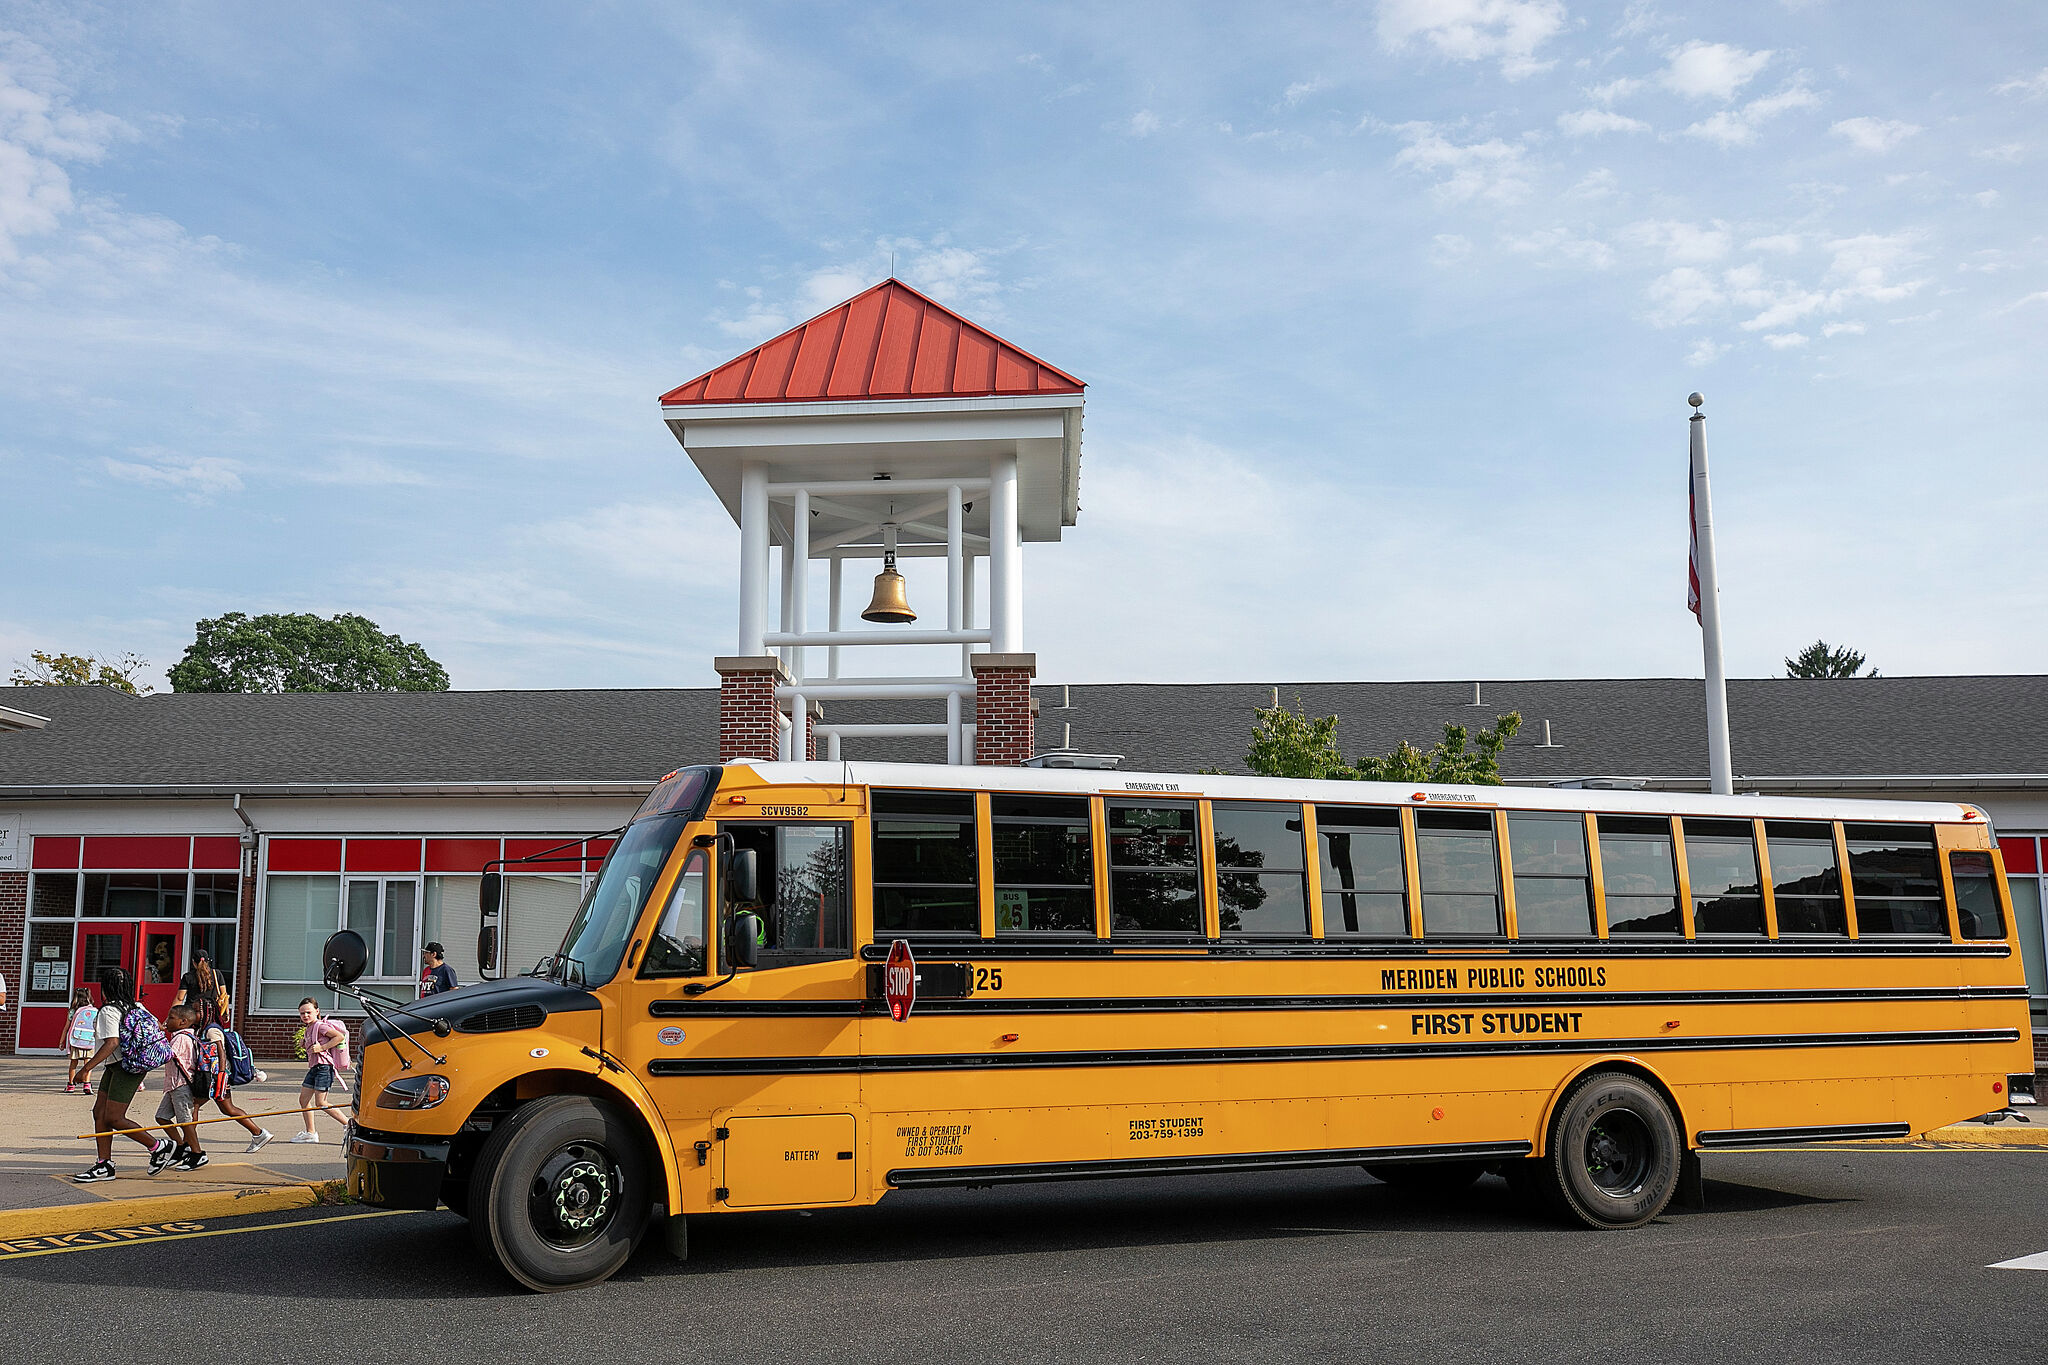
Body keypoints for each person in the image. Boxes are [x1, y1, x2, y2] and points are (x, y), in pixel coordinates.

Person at [72, 967, 175, 1183]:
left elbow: (112, 1043)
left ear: (105, 988)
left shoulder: (109, 1011)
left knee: (113, 1118)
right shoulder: (137, 1005)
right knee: (99, 1113)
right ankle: (104, 1165)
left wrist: (86, 1068)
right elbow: (157, 1025)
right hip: (119, 1066)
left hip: (125, 1068)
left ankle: (158, 1147)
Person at [155, 1004, 208, 1171]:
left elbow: (166, 1055)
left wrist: (158, 1034)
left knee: (185, 1121)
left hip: (181, 1086)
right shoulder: (179, 1036)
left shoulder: (182, 1038)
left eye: (171, 1018)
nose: (167, 1021)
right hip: (173, 1085)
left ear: (183, 1021)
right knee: (162, 1117)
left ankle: (197, 1153)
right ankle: (181, 1146)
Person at [293, 998, 351, 1143]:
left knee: (321, 1103)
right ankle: (310, 1133)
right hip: (314, 1068)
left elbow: (339, 1037)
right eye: (302, 1013)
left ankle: (349, 1126)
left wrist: (322, 1048)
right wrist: (304, 1044)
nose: (305, 1016)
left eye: (308, 1012)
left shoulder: (320, 1026)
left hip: (324, 1068)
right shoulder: (309, 1028)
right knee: (303, 1100)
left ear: (317, 1012)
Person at [65, 988, 99, 1093]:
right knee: (88, 1063)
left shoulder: (73, 1011)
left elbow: (66, 1027)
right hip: (89, 1040)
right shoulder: (93, 1010)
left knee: (73, 1063)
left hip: (76, 1040)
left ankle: (71, 1085)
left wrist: (62, 1042)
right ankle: (87, 1084)